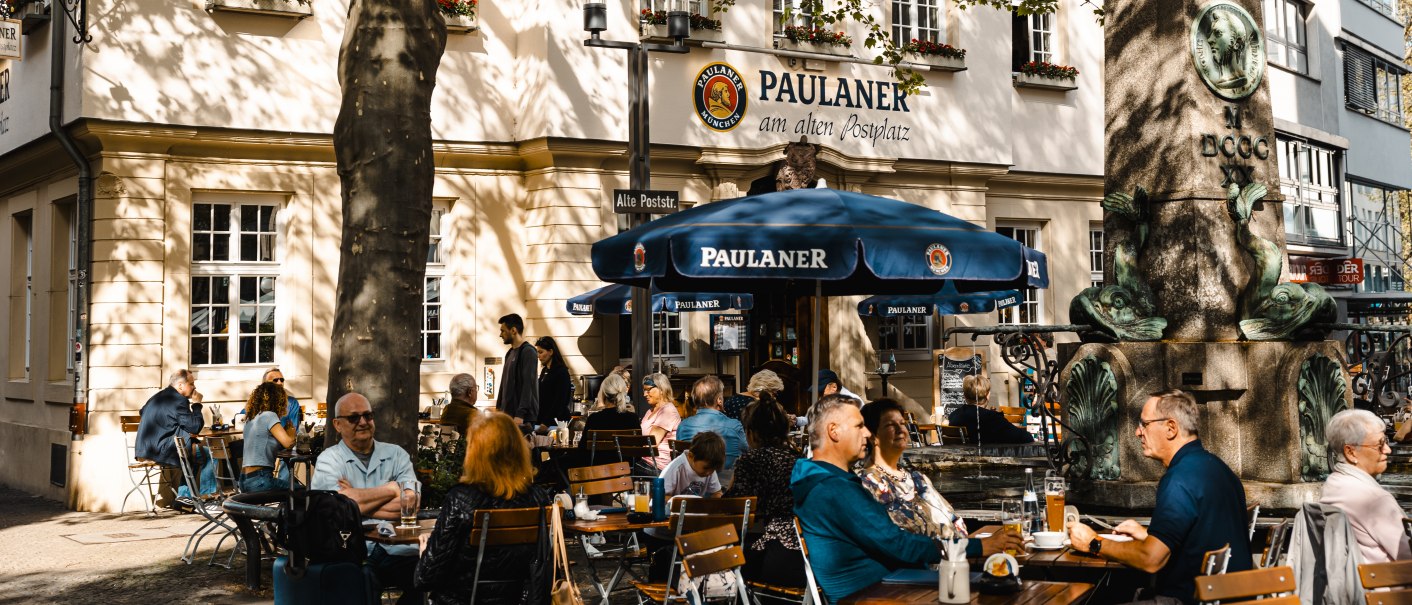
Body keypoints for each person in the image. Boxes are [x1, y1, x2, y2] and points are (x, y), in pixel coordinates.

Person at [792, 394, 1020, 602]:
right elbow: (899, 545)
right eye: (859, 426)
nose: (867, 433)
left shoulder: (822, 480)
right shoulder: (833, 489)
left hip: (893, 586)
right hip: (881, 595)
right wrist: (978, 547)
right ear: (834, 431)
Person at [1066, 389, 1251, 605]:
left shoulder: (1180, 480)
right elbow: (1201, 536)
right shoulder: (1217, 469)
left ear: (1170, 428)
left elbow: (1150, 560)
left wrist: (1093, 543)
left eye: (1144, 424)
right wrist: (1148, 535)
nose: (1137, 432)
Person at [414, 412, 550, 604]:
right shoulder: (538, 498)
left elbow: (425, 578)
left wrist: (426, 550)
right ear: (518, 449)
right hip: (519, 599)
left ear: (474, 453)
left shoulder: (462, 499)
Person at [311, 393, 422, 605]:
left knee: (430, 574)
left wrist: (354, 501)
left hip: (399, 548)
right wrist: (391, 489)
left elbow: (411, 503)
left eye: (368, 416)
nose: (363, 422)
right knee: (361, 581)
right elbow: (335, 509)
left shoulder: (396, 454)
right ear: (337, 424)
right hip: (351, 549)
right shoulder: (329, 460)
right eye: (354, 418)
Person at [725, 398, 806, 588]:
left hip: (777, 549)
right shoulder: (798, 456)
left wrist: (728, 488)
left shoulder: (753, 459)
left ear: (751, 433)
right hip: (806, 547)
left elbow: (737, 507)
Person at [859, 398, 965, 539]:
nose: (900, 430)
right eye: (890, 425)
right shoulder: (868, 484)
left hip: (957, 554)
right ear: (873, 437)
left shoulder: (918, 478)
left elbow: (954, 519)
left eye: (902, 423)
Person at [1321, 409, 1411, 563]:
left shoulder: (1332, 484)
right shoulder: (1374, 500)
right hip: (1388, 583)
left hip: (1351, 582)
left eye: (1386, 442)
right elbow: (1407, 555)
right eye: (1380, 445)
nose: (1388, 450)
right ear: (1351, 452)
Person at [136, 369, 218, 500]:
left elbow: (142, 412)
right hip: (160, 450)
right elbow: (195, 427)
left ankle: (184, 498)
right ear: (180, 385)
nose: (194, 387)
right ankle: (208, 498)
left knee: (193, 451)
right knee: (209, 454)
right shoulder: (179, 400)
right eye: (191, 383)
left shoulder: (157, 397)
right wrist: (197, 405)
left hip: (143, 450)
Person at [676, 375, 749, 487]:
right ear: (719, 400)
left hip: (692, 488)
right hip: (726, 488)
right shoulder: (734, 426)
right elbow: (747, 452)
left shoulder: (683, 426)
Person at [946, 374, 1033, 444]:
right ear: (988, 395)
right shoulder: (992, 418)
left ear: (965, 396)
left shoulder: (954, 416)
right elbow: (1026, 437)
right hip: (990, 463)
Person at [239, 382, 294, 493]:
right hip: (260, 480)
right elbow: (288, 443)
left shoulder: (251, 419)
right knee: (302, 490)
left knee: (290, 490)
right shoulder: (269, 415)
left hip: (244, 480)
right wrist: (291, 432)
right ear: (278, 400)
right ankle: (283, 511)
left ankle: (283, 510)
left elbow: (266, 445)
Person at [495, 313, 538, 428]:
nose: (500, 335)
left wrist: (520, 414)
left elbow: (528, 384)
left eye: (503, 331)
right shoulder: (509, 353)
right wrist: (499, 408)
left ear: (513, 330)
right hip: (508, 416)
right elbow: (504, 384)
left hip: (521, 418)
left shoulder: (528, 352)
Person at [640, 373, 681, 471]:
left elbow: (651, 444)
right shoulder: (649, 411)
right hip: (646, 463)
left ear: (662, 389)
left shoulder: (668, 411)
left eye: (648, 390)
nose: (645, 394)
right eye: (644, 390)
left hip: (659, 467)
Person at [534, 336, 572, 430]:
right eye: (537, 352)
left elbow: (560, 401)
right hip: (542, 421)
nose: (538, 356)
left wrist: (546, 423)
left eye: (541, 352)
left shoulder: (561, 372)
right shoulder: (544, 370)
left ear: (550, 352)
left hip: (555, 423)